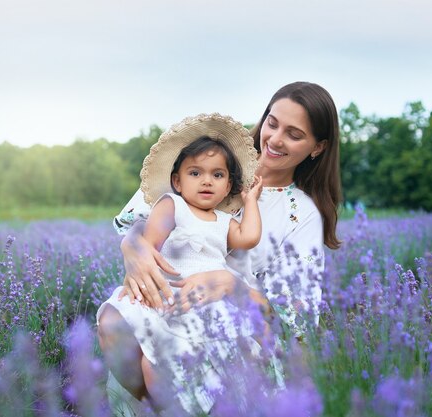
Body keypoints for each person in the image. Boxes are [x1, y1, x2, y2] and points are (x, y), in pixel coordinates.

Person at [98, 81, 342, 413]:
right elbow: (141, 218)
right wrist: (133, 248)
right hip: (168, 295)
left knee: (167, 370)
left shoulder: (302, 215)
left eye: (294, 134)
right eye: (272, 122)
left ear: (317, 147)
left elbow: (294, 320)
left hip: (231, 326)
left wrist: (230, 284)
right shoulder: (215, 157)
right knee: (113, 325)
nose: (275, 139)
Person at [98, 113, 264, 413]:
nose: (206, 181)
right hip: (168, 290)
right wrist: (138, 261)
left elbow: (249, 237)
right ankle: (160, 407)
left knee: (192, 361)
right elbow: (150, 244)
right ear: (177, 180)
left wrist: (250, 200)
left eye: (217, 175)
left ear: (228, 187)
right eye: (195, 173)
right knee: (153, 362)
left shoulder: (225, 220)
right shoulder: (171, 204)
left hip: (208, 300)